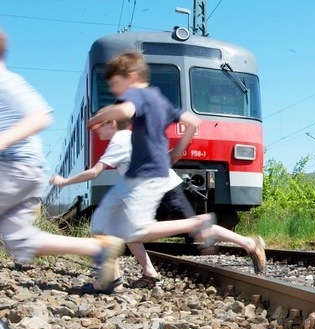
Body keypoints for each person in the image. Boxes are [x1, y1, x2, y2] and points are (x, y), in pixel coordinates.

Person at [49, 118, 267, 284]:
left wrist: (64, 181)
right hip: (157, 189)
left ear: (112, 123)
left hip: (161, 190)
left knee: (199, 228)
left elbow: (94, 172)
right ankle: (150, 272)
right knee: (127, 230)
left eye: (99, 126)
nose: (96, 131)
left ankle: (249, 243)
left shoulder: (118, 141)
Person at [83, 50, 219, 294]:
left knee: (134, 230)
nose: (114, 90)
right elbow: (192, 122)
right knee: (103, 221)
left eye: (115, 84)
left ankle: (198, 222)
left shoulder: (137, 94)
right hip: (144, 171)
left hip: (146, 173)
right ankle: (111, 280)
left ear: (131, 77)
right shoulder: (159, 97)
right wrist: (178, 150)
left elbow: (124, 112)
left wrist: (100, 115)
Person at [0, 28, 125, 292]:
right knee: (18, 239)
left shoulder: (4, 81)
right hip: (22, 168)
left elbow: (41, 116)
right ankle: (98, 248)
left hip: (13, 166)